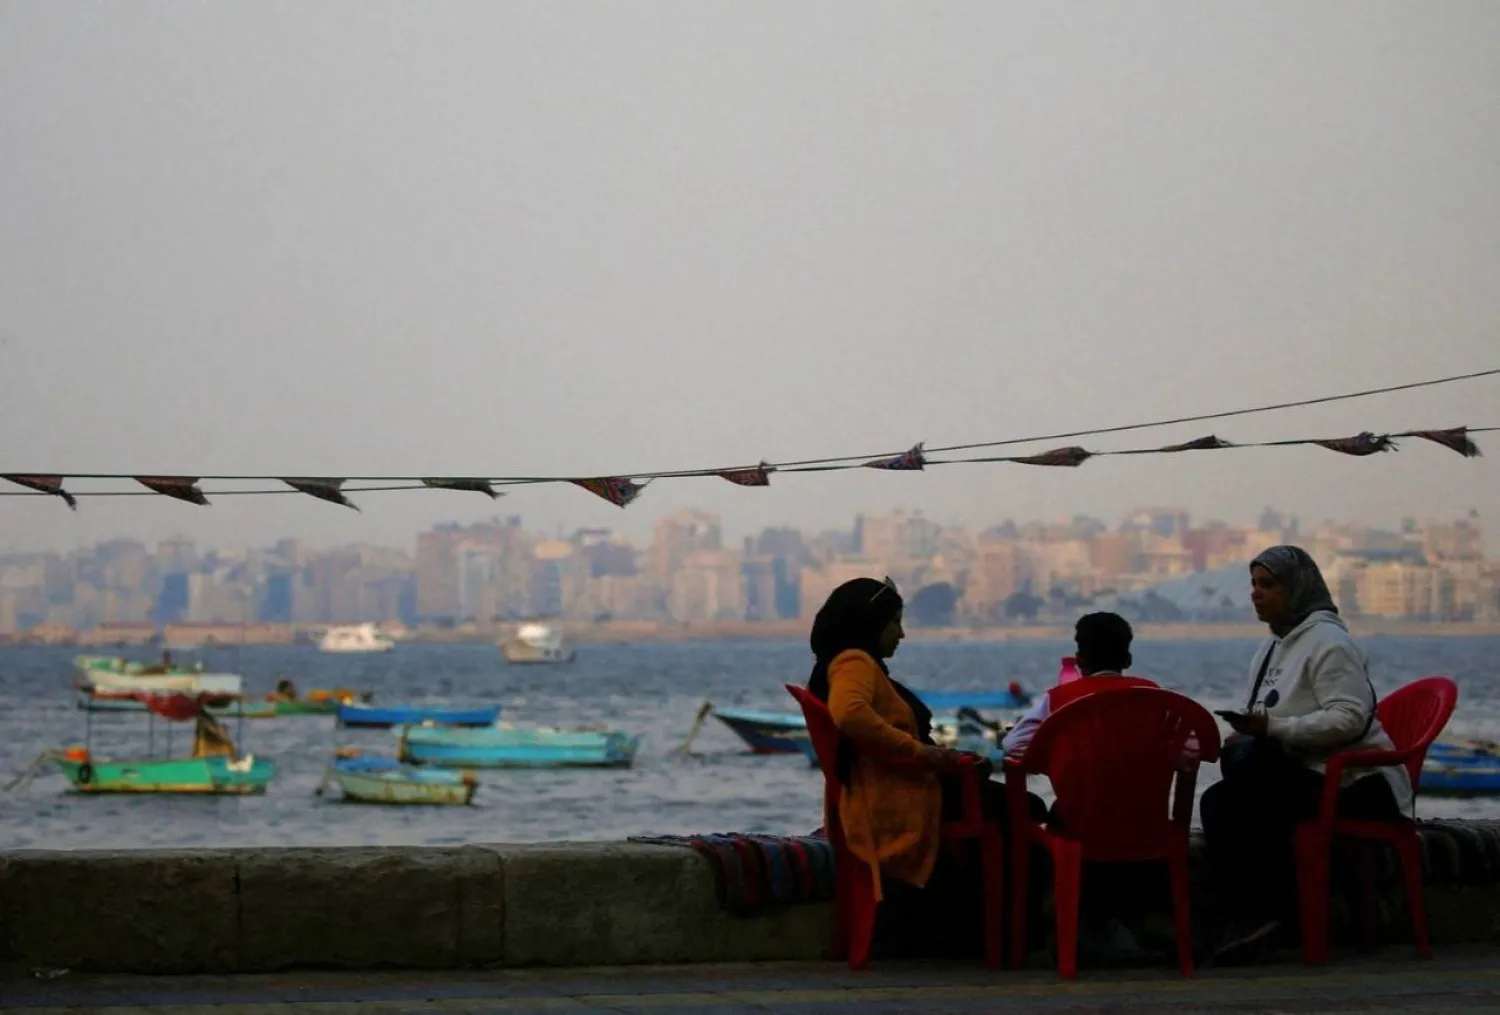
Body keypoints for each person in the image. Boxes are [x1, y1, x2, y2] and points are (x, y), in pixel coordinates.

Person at [805, 575, 1038, 956]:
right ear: (870, 624)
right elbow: (851, 714)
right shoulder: (854, 662)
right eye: (894, 623)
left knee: (1013, 802)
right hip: (901, 790)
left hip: (894, 782)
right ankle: (1009, 935)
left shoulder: (847, 662)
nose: (901, 634)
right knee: (1026, 808)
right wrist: (923, 753)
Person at [1201, 545, 1411, 963]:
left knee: (1246, 795)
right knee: (1220, 799)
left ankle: (1271, 913)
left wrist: (1274, 729)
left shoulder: (1330, 644)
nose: (1257, 595)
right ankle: (1247, 917)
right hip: (1304, 774)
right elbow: (1271, 715)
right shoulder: (1272, 649)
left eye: (1269, 585)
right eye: (1254, 585)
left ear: (1296, 588)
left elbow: (1351, 718)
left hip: (1357, 785)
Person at [1001, 612, 1157, 760]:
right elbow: (1180, 747)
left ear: (1079, 660)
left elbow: (1012, 744)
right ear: (1128, 660)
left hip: (1077, 788)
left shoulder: (1058, 698)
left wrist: (1057, 755)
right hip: (1146, 788)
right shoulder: (1153, 694)